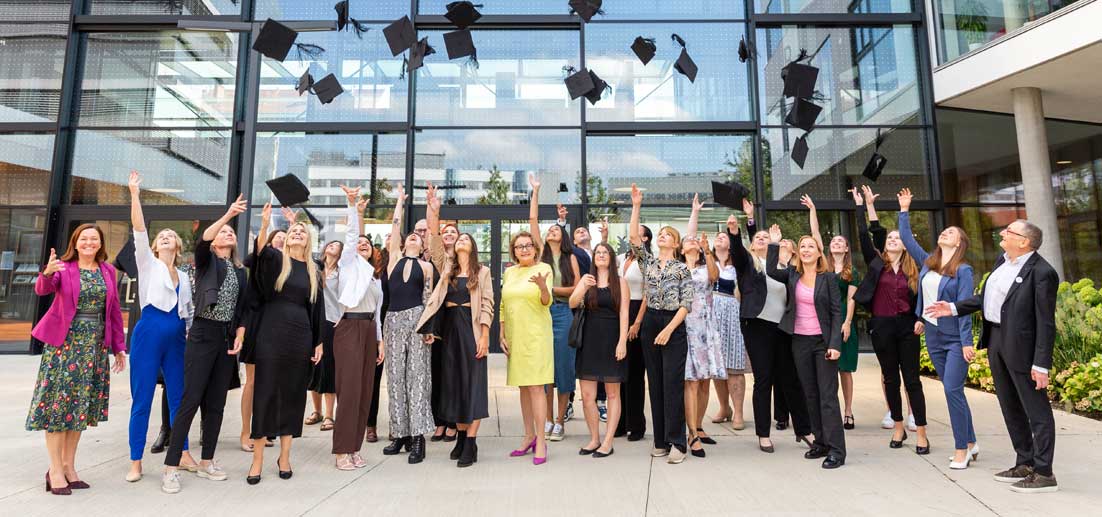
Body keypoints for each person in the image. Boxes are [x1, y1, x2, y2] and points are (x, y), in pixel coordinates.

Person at [926, 219, 1059, 493]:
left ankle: (1044, 473)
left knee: (1036, 410)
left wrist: (1041, 363)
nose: (1002, 233)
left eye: (1008, 231)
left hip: (1023, 347)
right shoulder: (1003, 262)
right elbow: (984, 299)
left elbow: (1046, 322)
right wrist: (951, 308)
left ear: (1024, 242)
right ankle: (1025, 462)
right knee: (1010, 405)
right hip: (997, 341)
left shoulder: (1042, 272)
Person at [28, 224, 126, 495]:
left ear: (100, 243)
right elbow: (42, 290)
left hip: (94, 347)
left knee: (79, 409)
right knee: (59, 409)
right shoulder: (63, 267)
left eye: (94, 239)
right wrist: (47, 272)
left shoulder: (108, 270)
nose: (89, 242)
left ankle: (70, 467)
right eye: (84, 238)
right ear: (76, 242)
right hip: (65, 346)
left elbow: (114, 311)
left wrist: (118, 347)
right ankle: (55, 470)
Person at [162, 196, 249, 494]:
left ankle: (207, 461)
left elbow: (243, 309)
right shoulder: (205, 260)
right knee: (191, 400)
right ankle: (171, 467)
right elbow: (204, 238)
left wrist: (239, 333)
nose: (228, 233)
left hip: (225, 338)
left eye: (231, 232)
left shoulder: (239, 271)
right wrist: (227, 215)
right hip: (201, 333)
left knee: (216, 404)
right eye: (224, 231)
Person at [896, 188, 979, 469]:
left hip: (955, 336)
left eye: (952, 233)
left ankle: (961, 450)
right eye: (944, 231)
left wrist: (967, 342)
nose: (945, 233)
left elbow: (966, 306)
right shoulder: (929, 263)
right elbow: (906, 239)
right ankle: (971, 441)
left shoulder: (963, 271)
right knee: (953, 389)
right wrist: (904, 210)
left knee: (952, 390)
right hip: (933, 334)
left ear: (960, 243)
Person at [125, 171, 196, 482]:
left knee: (179, 397)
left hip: (177, 335)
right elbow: (139, 229)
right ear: (155, 246)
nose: (166, 236)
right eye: (162, 235)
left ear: (178, 246)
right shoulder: (147, 263)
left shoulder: (185, 276)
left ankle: (181, 452)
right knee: (142, 398)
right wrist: (135, 194)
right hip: (149, 331)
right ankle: (136, 460)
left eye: (171, 235)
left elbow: (190, 313)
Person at [246, 205, 325, 484]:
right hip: (271, 332)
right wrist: (266, 224)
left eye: (303, 231)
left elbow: (317, 309)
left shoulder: (314, 270)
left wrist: (319, 342)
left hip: (300, 336)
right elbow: (257, 254)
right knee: (265, 393)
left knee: (293, 395)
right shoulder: (276, 260)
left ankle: (285, 456)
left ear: (308, 240)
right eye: (294, 230)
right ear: (287, 236)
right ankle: (257, 460)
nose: (298, 233)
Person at [727, 201, 813, 454]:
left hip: (783, 327)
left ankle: (804, 429)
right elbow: (738, 250)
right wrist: (746, 221)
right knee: (764, 378)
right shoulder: (748, 263)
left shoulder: (783, 267)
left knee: (791, 379)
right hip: (757, 326)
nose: (764, 239)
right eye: (759, 237)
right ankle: (763, 434)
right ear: (753, 243)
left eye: (768, 237)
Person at [420, 183, 493, 467]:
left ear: (472, 246)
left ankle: (470, 444)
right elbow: (434, 240)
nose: (460, 240)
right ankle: (461, 438)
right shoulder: (446, 269)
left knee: (472, 387)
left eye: (465, 238)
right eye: (458, 238)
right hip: (450, 331)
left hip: (471, 330)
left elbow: (487, 303)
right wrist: (433, 209)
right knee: (453, 386)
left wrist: (485, 335)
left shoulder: (482, 271)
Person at [853, 186, 929, 454]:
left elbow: (925, 298)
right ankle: (898, 426)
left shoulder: (915, 271)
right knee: (890, 379)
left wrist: (921, 319)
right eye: (890, 237)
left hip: (908, 327)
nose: (893, 239)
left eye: (898, 237)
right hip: (882, 326)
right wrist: (865, 207)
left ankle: (920, 432)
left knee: (912, 380)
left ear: (906, 244)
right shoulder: (877, 264)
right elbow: (867, 235)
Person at [765, 224, 845, 469]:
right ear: (798, 253)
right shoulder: (792, 274)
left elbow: (835, 312)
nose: (807, 250)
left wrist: (835, 343)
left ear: (819, 253)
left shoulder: (828, 278)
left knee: (828, 397)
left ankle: (837, 451)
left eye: (811, 246)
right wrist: (774, 244)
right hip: (799, 340)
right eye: (803, 247)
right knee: (810, 394)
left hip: (823, 343)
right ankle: (820, 442)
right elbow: (769, 270)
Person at [628, 184, 693, 464]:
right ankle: (661, 440)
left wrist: (669, 329)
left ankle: (678, 441)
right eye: (662, 234)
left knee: (672, 384)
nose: (663, 236)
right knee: (654, 383)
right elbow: (633, 238)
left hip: (673, 324)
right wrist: (636, 206)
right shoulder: (649, 263)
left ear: (676, 244)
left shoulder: (681, 268)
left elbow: (686, 304)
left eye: (669, 234)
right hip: (651, 321)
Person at [330, 186, 384, 470]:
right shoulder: (348, 265)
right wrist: (353, 208)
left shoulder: (374, 279)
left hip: (367, 332)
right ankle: (341, 449)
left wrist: (379, 341)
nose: (361, 244)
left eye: (367, 243)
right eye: (358, 243)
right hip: (349, 329)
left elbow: (376, 316)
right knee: (349, 391)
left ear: (373, 251)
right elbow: (351, 237)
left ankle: (354, 448)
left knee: (364, 392)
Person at [380, 185, 436, 464]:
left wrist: (428, 329)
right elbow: (394, 226)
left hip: (416, 320)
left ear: (422, 244)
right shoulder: (393, 259)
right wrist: (399, 202)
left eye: (418, 236)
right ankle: (399, 433)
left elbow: (428, 299)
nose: (413, 237)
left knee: (417, 378)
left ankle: (417, 438)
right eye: (410, 235)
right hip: (392, 320)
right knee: (395, 380)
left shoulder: (426, 267)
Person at [529, 175, 580, 442]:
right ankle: (547, 420)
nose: (551, 232)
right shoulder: (540, 253)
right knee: (545, 370)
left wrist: (550, 290)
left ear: (563, 235)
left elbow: (577, 289)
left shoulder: (570, 258)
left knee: (563, 369)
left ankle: (561, 420)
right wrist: (536, 191)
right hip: (541, 316)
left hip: (562, 314)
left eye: (556, 230)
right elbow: (533, 222)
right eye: (550, 230)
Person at [803, 195, 860, 429]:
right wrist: (814, 209)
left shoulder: (851, 271)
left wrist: (847, 323)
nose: (836, 243)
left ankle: (847, 411)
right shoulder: (822, 265)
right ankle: (829, 411)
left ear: (846, 248)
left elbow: (851, 299)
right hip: (822, 323)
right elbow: (815, 234)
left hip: (844, 323)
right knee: (826, 372)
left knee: (845, 370)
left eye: (840, 241)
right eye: (833, 241)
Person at [569, 242, 630, 458]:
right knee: (587, 396)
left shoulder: (620, 282)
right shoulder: (587, 280)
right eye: (598, 253)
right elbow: (572, 303)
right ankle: (594, 438)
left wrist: (622, 341)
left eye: (605, 252)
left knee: (613, 394)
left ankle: (608, 441)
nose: (601, 255)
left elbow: (624, 313)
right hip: (589, 341)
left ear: (611, 258)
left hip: (612, 340)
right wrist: (583, 287)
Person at [500, 230, 554, 466]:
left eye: (528, 245)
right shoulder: (509, 272)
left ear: (535, 249)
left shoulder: (544, 269)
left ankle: (541, 440)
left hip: (536, 336)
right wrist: (501, 333)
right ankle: (528, 435)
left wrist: (543, 287)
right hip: (515, 336)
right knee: (523, 387)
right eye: (519, 246)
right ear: (513, 251)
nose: (524, 249)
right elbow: (503, 303)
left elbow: (547, 301)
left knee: (535, 387)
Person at [681, 195, 726, 456]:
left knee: (705, 380)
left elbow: (714, 276)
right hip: (685, 325)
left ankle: (699, 427)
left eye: (694, 242)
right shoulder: (677, 267)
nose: (691, 241)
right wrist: (694, 212)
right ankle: (690, 432)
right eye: (688, 241)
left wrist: (707, 250)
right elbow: (689, 233)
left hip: (705, 326)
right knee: (691, 381)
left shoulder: (703, 266)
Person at [242, 226, 286, 451]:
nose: (282, 240)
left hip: (277, 324)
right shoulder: (258, 260)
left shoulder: (288, 267)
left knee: (272, 381)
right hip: (257, 321)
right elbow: (251, 258)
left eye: (284, 238)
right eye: (278, 237)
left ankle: (266, 429)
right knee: (253, 380)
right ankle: (245, 432)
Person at [709, 225, 748, 432]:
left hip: (732, 315)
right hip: (711, 316)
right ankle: (724, 408)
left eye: (724, 236)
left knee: (734, 366)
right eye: (718, 237)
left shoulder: (738, 264)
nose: (720, 238)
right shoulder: (708, 261)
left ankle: (739, 411)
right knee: (717, 366)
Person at [616, 224, 650, 441]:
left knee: (635, 372)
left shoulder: (647, 260)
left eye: (637, 232)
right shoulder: (620, 257)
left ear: (645, 239)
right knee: (618, 372)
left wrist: (637, 322)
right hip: (620, 310)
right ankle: (619, 422)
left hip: (638, 311)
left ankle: (636, 425)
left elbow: (648, 292)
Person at [431, 219, 461, 443]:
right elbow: (433, 235)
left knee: (454, 375)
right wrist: (434, 210)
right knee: (438, 374)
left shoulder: (464, 262)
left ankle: (452, 423)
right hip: (438, 323)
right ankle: (439, 422)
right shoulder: (439, 260)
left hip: (457, 321)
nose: (449, 234)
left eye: (453, 231)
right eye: (446, 231)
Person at [308, 239, 342, 433]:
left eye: (337, 245)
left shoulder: (342, 272)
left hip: (333, 322)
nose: (332, 246)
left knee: (329, 367)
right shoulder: (314, 268)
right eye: (330, 243)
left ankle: (329, 414)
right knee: (314, 365)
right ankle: (317, 411)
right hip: (314, 321)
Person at [365, 245, 388, 444]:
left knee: (399, 381)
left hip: (399, 327)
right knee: (372, 380)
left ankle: (399, 426)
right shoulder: (371, 273)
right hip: (374, 328)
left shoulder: (401, 265)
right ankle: (370, 425)